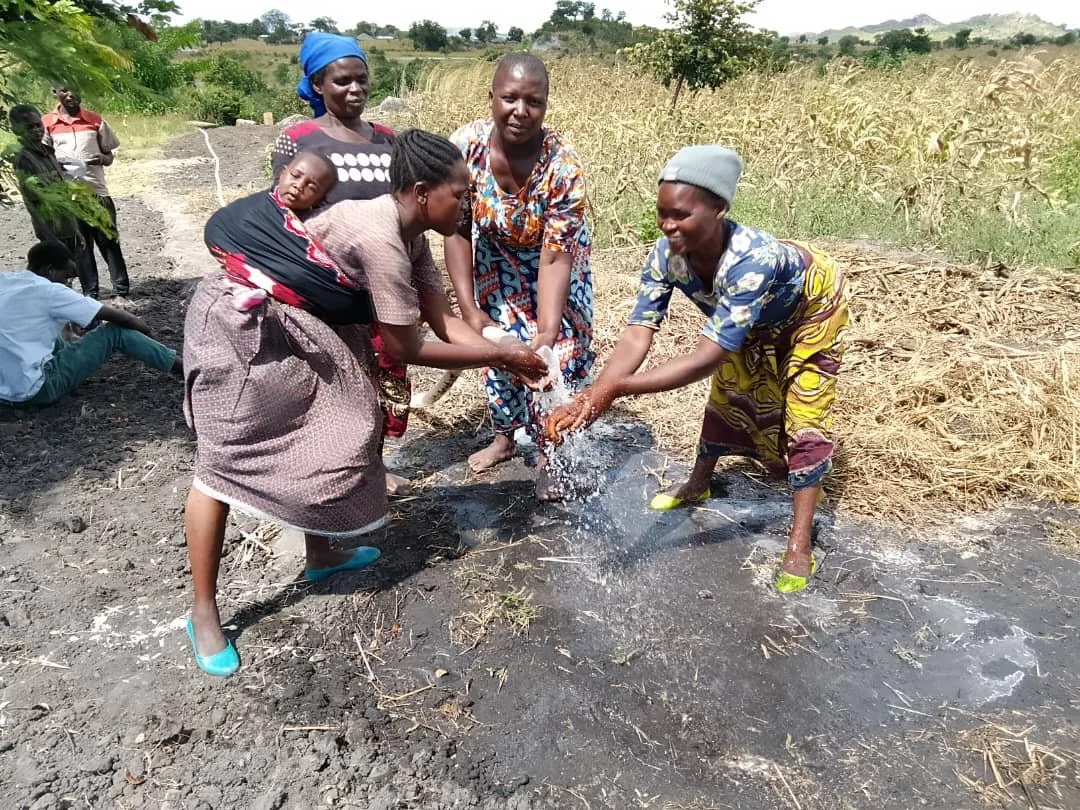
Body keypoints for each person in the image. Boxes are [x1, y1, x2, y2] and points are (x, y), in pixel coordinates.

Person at [183, 140, 546, 677]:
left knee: (337, 432)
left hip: (309, 329)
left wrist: (505, 343)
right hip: (243, 327)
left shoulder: (413, 236)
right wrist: (500, 355)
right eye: (461, 195)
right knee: (226, 458)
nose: (469, 206)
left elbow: (442, 321)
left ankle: (320, 555)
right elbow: (405, 347)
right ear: (423, 194)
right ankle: (204, 610)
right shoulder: (380, 238)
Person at [546, 146, 849, 594]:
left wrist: (616, 391)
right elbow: (638, 332)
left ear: (719, 209)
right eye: (662, 214)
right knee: (729, 394)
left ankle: (799, 544)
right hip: (754, 319)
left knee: (803, 418)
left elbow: (708, 355)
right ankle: (698, 485)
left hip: (812, 311)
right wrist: (596, 391)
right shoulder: (667, 253)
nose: (668, 225)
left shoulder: (752, 260)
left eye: (681, 215)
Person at [444, 52, 594, 501]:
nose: (520, 111)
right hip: (492, 259)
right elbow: (456, 228)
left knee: (559, 356)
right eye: (509, 98)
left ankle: (552, 452)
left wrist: (547, 330)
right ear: (491, 97)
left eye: (534, 101)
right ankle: (506, 438)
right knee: (499, 351)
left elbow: (554, 258)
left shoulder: (562, 168)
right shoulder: (466, 148)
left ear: (545, 106)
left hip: (554, 262)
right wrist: (469, 309)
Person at [272, 31, 410, 494]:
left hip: (385, 284)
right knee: (336, 381)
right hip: (326, 288)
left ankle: (375, 464)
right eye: (342, 81)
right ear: (317, 85)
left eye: (362, 80)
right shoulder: (298, 141)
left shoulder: (389, 141)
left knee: (386, 373)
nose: (354, 90)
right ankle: (336, 472)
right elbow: (286, 212)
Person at [0, 241, 179, 407]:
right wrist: (148, 333)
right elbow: (124, 318)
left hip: (4, 392)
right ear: (49, 270)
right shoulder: (50, 291)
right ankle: (185, 369)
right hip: (34, 390)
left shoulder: (6, 281)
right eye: (66, 277)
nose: (67, 284)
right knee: (114, 333)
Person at [43, 85, 130, 299]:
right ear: (56, 93)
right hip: (67, 196)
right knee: (80, 246)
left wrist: (101, 159)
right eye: (64, 90)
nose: (71, 94)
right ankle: (90, 293)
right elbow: (43, 157)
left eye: (75, 89)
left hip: (96, 191)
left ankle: (122, 290)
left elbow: (109, 156)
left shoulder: (95, 120)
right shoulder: (46, 124)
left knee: (109, 242)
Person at [8, 105, 90, 295]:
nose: (36, 130)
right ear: (16, 130)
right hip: (51, 228)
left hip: (67, 224)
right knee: (56, 280)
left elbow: (62, 191)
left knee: (71, 275)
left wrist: (77, 228)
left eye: (38, 125)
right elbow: (32, 202)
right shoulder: (23, 158)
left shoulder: (48, 151)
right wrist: (50, 238)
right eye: (29, 127)